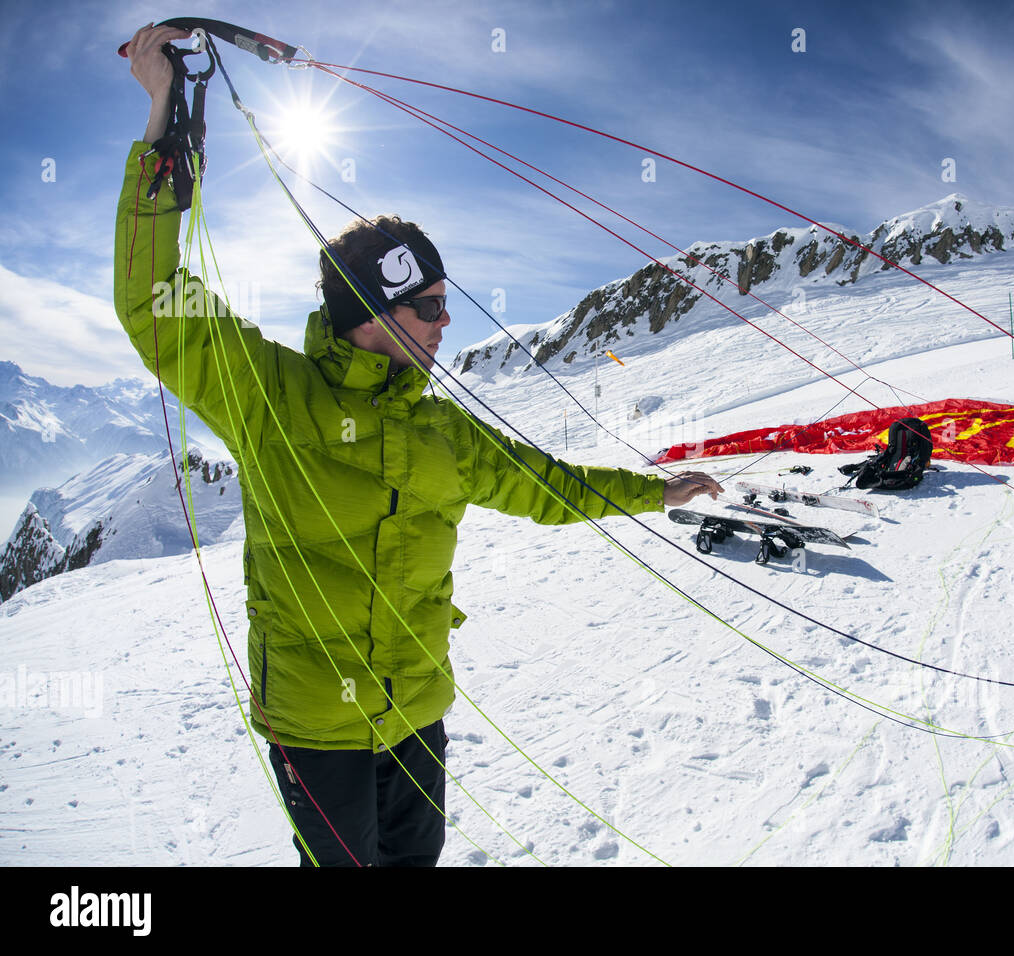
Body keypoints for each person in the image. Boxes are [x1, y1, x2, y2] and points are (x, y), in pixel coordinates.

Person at [118, 24, 721, 866]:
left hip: (417, 716)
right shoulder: (268, 395)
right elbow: (154, 304)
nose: (447, 325)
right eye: (430, 307)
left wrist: (655, 492)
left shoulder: (444, 429)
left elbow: (543, 487)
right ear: (372, 310)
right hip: (316, 724)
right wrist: (161, 121)